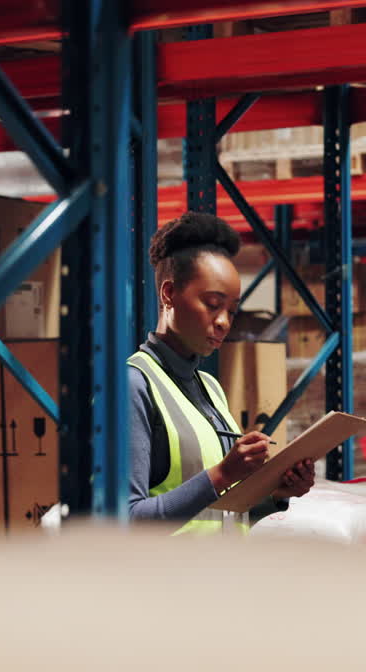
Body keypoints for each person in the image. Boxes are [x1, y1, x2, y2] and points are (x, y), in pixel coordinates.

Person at [127, 211, 316, 534]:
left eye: (231, 310)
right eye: (212, 304)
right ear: (168, 294)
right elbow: (126, 522)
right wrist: (223, 474)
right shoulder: (133, 386)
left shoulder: (210, 388)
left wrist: (278, 494)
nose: (224, 322)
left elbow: (221, 511)